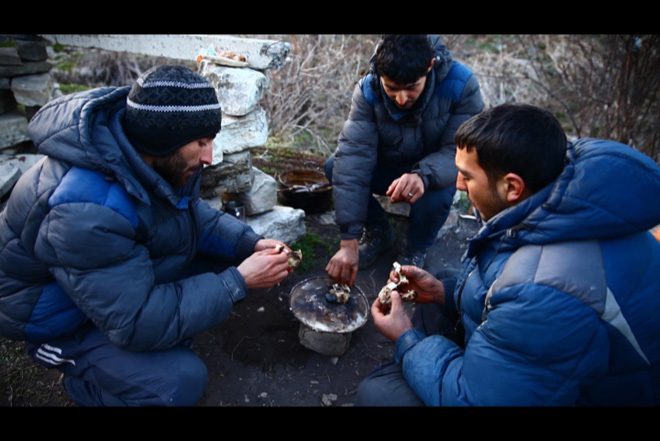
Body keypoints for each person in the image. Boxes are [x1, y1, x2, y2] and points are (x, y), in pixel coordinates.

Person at [0, 65, 295, 406]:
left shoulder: (152, 159)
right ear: (162, 140)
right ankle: (82, 381)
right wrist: (237, 282)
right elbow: (134, 322)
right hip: (58, 319)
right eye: (201, 142)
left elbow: (192, 214)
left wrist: (249, 244)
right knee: (179, 382)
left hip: (105, 282)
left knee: (223, 260)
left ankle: (155, 339)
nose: (209, 156)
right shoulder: (84, 209)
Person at [355, 103, 660, 406]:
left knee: (378, 394)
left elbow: (477, 401)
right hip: (553, 358)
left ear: (512, 186)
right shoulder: (568, 196)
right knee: (446, 285)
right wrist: (442, 293)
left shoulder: (542, 289)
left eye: (467, 176)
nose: (458, 185)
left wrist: (406, 339)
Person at [325, 35, 483, 287]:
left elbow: (460, 150)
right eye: (391, 88)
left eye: (411, 87)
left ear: (430, 66)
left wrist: (423, 175)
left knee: (438, 195)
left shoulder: (461, 85)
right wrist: (348, 240)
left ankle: (415, 248)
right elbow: (354, 158)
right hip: (388, 166)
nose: (401, 98)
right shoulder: (368, 89)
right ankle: (379, 231)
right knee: (335, 166)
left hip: (433, 172)